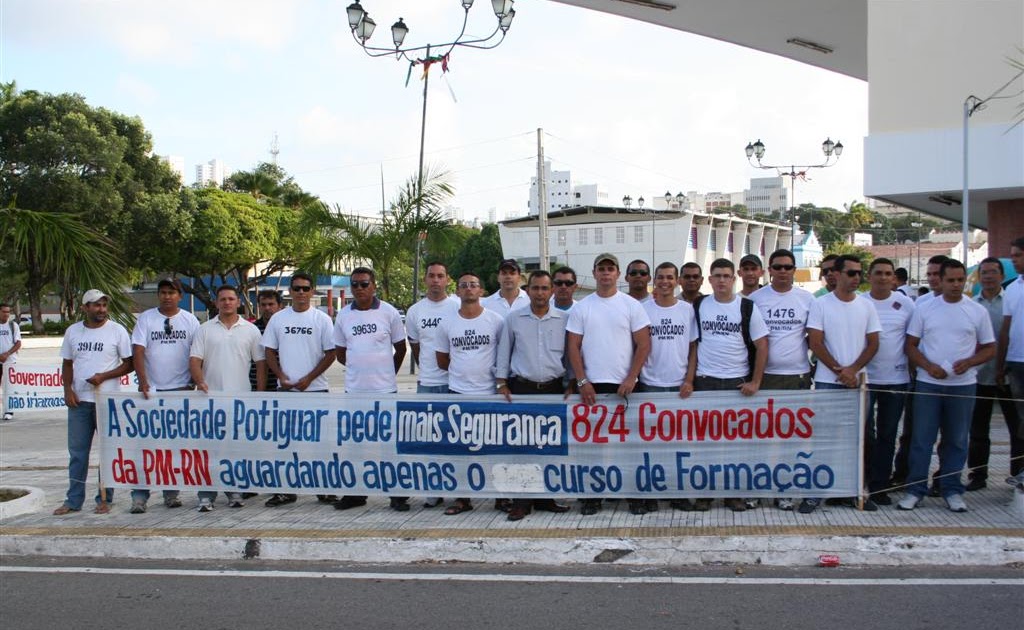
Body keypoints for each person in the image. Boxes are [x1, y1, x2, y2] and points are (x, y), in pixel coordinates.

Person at [899, 259, 995, 512]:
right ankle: (915, 490)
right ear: (940, 280)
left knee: (957, 440)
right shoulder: (925, 309)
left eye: (960, 280)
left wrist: (970, 362)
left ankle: (951, 489)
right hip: (928, 384)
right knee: (922, 439)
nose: (955, 285)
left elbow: (990, 348)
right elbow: (910, 345)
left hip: (963, 386)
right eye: (950, 280)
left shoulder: (977, 311)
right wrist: (928, 366)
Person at [567, 253, 651, 515]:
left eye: (610, 269)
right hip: (592, 387)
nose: (605, 273)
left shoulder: (631, 306)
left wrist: (632, 377)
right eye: (601, 269)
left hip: (625, 387)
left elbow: (644, 344)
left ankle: (633, 495)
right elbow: (573, 346)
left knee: (629, 446)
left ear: (617, 274)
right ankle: (593, 496)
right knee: (593, 445)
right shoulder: (582, 307)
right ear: (594, 273)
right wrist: (582, 380)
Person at [692, 257, 769, 512]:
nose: (722, 280)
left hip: (737, 383)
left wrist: (755, 381)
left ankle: (733, 494)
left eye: (726, 276)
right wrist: (689, 380)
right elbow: (693, 345)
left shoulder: (746, 307)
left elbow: (762, 346)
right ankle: (705, 493)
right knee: (706, 443)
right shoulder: (699, 305)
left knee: (735, 443)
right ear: (710, 279)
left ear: (733, 279)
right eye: (717, 276)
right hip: (706, 381)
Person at [495, 270, 572, 521]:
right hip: (522, 389)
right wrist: (501, 383)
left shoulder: (564, 319)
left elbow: (570, 355)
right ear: (528, 291)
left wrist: (572, 383)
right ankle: (521, 502)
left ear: (552, 291)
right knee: (522, 446)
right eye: (535, 288)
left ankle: (545, 498)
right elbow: (504, 351)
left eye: (544, 288)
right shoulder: (514, 319)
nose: (540, 293)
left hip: (553, 389)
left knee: (549, 445)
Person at [806, 254, 880, 513]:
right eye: (851, 273)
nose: (856, 278)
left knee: (858, 440)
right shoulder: (820, 305)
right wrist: (841, 371)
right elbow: (815, 342)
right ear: (836, 275)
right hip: (828, 382)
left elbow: (873, 343)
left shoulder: (867, 306)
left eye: (859, 273)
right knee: (824, 438)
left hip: (858, 383)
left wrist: (853, 370)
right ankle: (815, 493)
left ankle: (853, 491)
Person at [332, 267, 408, 512]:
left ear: (374, 285)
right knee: (355, 446)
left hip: (385, 392)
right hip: (354, 392)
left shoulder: (389, 312)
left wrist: (386, 373)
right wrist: (359, 368)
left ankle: (396, 494)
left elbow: (401, 348)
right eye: (354, 284)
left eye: (364, 284)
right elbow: (340, 353)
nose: (359, 289)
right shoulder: (344, 315)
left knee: (389, 446)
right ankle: (356, 494)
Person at [53, 290, 133, 515]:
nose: (101, 309)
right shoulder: (73, 331)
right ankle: (73, 500)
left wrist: (103, 376)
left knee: (107, 452)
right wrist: (68, 390)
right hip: (79, 401)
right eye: (96, 305)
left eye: (104, 305)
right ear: (85, 308)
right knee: (78, 454)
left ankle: (105, 498)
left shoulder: (117, 331)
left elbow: (129, 364)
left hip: (106, 401)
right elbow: (67, 363)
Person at [189, 285, 266, 512]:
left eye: (231, 299)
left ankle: (234, 491)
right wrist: (200, 381)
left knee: (235, 450)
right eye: (222, 299)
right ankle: (206, 495)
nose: (227, 303)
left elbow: (260, 364)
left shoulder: (251, 330)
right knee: (209, 450)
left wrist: (260, 394)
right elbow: (195, 360)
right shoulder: (204, 329)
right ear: (216, 303)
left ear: (238, 302)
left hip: (240, 402)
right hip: (209, 401)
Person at [262, 272, 336, 507]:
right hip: (286, 392)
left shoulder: (322, 319)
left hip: (316, 391)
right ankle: (285, 490)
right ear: (290, 291)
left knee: (320, 444)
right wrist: (281, 376)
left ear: (312, 291)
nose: (301, 292)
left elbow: (331, 353)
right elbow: (269, 351)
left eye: (305, 288)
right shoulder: (278, 319)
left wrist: (309, 378)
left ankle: (324, 489)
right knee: (285, 444)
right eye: (297, 288)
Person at [435, 271, 506, 516]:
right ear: (457, 291)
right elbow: (442, 359)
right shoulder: (447, 323)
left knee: (494, 448)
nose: (468, 288)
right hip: (458, 393)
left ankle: (500, 498)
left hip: (489, 393)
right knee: (461, 449)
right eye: (463, 285)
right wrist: (463, 372)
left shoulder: (496, 321)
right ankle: (463, 498)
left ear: (481, 291)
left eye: (473, 284)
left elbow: (503, 355)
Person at [749, 249, 814, 511]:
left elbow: (813, 337)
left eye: (788, 267)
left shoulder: (807, 299)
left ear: (794, 270)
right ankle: (756, 488)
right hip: (765, 377)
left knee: (791, 439)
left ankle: (785, 489)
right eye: (778, 267)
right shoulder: (755, 299)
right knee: (761, 437)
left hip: (797, 377)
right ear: (770, 270)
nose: (783, 271)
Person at [128, 278, 200, 513]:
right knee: (146, 446)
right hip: (151, 392)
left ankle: (171, 494)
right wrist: (143, 382)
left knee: (174, 447)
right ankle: (140, 496)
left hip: (180, 391)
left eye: (172, 292)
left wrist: (194, 381)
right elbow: (138, 351)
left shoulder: (190, 320)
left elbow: (197, 353)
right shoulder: (146, 319)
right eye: (163, 292)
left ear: (180, 296)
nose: (167, 296)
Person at [639, 262, 697, 513]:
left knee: (677, 445)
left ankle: (676, 493)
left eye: (670, 277)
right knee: (650, 445)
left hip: (679, 388)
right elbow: (637, 346)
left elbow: (693, 348)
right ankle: (651, 494)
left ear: (677, 281)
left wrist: (689, 380)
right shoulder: (643, 309)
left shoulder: (687, 310)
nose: (665, 282)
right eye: (660, 277)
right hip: (650, 385)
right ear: (655, 280)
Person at [893, 253, 951, 486]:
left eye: (938, 274)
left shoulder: (966, 306)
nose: (933, 278)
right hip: (921, 377)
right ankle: (905, 476)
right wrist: (918, 367)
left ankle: (943, 480)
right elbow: (910, 342)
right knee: (913, 431)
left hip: (953, 379)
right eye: (930, 274)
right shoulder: (920, 304)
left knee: (950, 435)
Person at [406, 261, 460, 509]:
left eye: (440, 276)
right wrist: (427, 370)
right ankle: (433, 489)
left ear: (447, 279)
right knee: (430, 438)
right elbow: (416, 347)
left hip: (454, 383)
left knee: (456, 439)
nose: (436, 280)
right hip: (427, 383)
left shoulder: (457, 306)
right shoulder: (415, 311)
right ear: (425, 279)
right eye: (432, 276)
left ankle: (459, 490)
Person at [967, 256, 1023, 490]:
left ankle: (1017, 474)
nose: (988, 277)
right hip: (980, 375)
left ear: (1002, 276)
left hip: (1008, 376)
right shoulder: (971, 305)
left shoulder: (1011, 300)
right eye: (984, 273)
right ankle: (978, 475)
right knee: (978, 429)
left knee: (1017, 428)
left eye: (993, 272)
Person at [862, 258, 915, 506]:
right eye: (878, 273)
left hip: (896, 379)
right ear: (869, 276)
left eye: (887, 273)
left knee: (887, 434)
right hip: (865, 379)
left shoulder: (906, 304)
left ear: (894, 277)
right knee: (865, 434)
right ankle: (862, 481)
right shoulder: (861, 302)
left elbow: (912, 341)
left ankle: (880, 486)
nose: (883, 277)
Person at [997, 236, 1024, 488]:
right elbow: (1006, 329)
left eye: (1018, 255)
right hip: (1016, 363)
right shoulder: (1012, 288)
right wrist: (1000, 364)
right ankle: (1020, 472)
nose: (1013, 260)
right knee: (1020, 421)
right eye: (1012, 255)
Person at [249, 289, 282, 392]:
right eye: (263, 305)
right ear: (259, 306)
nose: (267, 308)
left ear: (279, 306)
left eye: (271, 304)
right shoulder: (252, 329)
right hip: (255, 385)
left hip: (282, 385)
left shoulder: (287, 329)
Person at [0, 303, 23, 421]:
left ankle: (9, 411)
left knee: (9, 387)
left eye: (8, 312)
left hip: (10, 362)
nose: (6, 314)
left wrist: (7, 354)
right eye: (4, 311)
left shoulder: (13, 326)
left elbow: (18, 343)